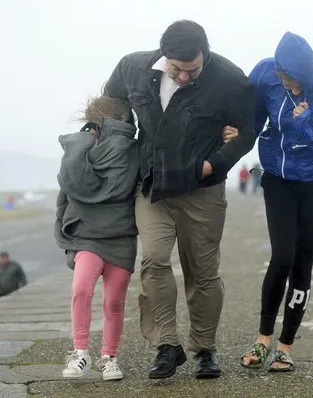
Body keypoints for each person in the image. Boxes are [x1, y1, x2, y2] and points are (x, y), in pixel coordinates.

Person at [103, 19, 256, 380]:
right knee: (154, 260)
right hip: (152, 188)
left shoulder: (231, 79)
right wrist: (104, 138)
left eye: (193, 70)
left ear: (205, 54)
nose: (185, 76)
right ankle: (165, 346)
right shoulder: (133, 68)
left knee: (202, 273)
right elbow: (112, 103)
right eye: (178, 69)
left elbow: (248, 131)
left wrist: (212, 163)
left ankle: (204, 348)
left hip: (202, 191)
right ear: (164, 56)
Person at [240, 31, 313, 372]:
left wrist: (303, 126)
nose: (292, 86)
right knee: (282, 257)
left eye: (297, 81)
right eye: (286, 80)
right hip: (278, 179)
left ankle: (285, 346)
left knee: (303, 261)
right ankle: (262, 340)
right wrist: (239, 134)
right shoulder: (265, 74)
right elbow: (254, 117)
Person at [54, 95, 140, 381]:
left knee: (114, 302)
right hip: (88, 236)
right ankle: (80, 353)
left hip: (121, 237)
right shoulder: (80, 153)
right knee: (81, 289)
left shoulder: (133, 152)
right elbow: (66, 194)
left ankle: (109, 357)